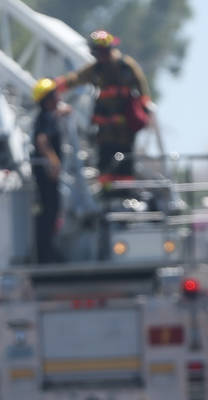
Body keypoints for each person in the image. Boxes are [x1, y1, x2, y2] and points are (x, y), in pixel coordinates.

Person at [55, 29, 151, 185]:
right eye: (97, 53)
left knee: (125, 161)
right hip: (105, 129)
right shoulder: (96, 69)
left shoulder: (126, 66)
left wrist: (144, 106)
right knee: (106, 161)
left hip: (124, 128)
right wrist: (57, 85)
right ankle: (108, 194)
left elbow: (142, 87)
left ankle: (125, 192)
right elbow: (77, 78)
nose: (99, 56)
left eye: (102, 52)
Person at [31, 77, 64, 263]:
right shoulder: (46, 119)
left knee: (49, 211)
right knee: (50, 211)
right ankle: (46, 254)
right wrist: (54, 161)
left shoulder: (45, 116)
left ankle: (47, 251)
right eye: (54, 95)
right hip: (47, 174)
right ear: (47, 99)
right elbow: (42, 140)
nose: (58, 98)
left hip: (44, 173)